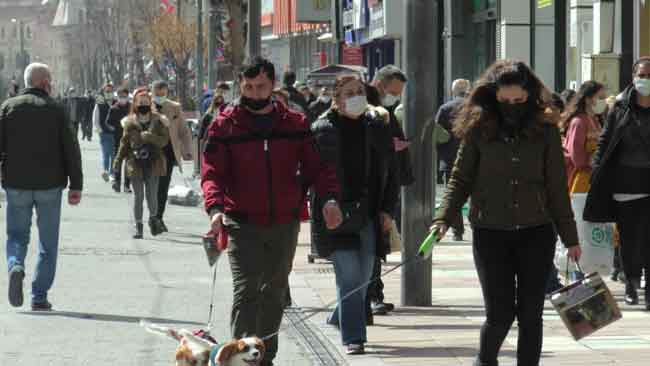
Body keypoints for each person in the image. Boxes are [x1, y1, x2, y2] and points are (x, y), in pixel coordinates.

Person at [431, 60, 581, 366]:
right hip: (490, 232)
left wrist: (571, 238)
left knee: (531, 314)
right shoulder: (478, 128)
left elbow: (556, 187)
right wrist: (443, 218)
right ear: (492, 96)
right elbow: (460, 177)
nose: (512, 107)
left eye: (519, 100)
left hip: (536, 231)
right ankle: (485, 361)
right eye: (504, 101)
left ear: (530, 95)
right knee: (500, 313)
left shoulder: (546, 129)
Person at [201, 56, 342, 366]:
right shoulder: (225, 125)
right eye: (248, 87)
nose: (253, 93)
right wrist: (215, 209)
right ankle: (239, 358)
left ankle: (265, 357)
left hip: (284, 222)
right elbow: (212, 172)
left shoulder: (295, 123)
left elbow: (317, 168)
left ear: (273, 85)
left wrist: (330, 199)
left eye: (260, 87)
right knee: (246, 289)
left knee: (274, 291)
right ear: (240, 85)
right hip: (241, 221)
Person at [311, 74, 398, 355]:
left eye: (359, 91)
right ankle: (354, 337)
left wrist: (387, 210)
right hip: (336, 214)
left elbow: (390, 172)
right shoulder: (322, 129)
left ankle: (340, 316)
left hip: (369, 214)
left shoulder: (377, 127)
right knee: (349, 277)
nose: (356, 96)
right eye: (348, 92)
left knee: (362, 279)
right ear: (336, 99)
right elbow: (313, 174)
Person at [1, 62, 83, 311]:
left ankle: (15, 264)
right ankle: (39, 295)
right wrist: (76, 185)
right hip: (50, 185)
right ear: (44, 83)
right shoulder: (57, 109)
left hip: (16, 183)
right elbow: (71, 149)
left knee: (16, 234)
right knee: (48, 243)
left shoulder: (7, 108)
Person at [585, 57, 650, 310]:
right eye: (641, 74)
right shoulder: (621, 107)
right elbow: (605, 141)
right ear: (633, 76)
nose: (645, 79)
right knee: (630, 239)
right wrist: (597, 169)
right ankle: (631, 283)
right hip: (625, 184)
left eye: (649, 75)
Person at [367, 65, 412, 317]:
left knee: (377, 245)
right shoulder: (371, 110)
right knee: (372, 245)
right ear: (381, 84)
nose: (395, 96)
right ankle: (371, 296)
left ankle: (374, 294)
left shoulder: (386, 111)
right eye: (394, 91)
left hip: (384, 185)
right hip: (373, 188)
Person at [113, 88, 169, 239]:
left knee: (152, 196)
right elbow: (124, 144)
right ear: (135, 104)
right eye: (140, 103)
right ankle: (139, 227)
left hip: (154, 162)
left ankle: (153, 219)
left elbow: (164, 141)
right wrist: (117, 163)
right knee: (138, 196)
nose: (143, 105)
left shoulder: (158, 121)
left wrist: (150, 137)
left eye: (146, 102)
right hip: (135, 163)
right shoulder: (129, 122)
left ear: (150, 103)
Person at [151, 80, 194, 232]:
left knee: (162, 187)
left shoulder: (174, 108)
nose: (160, 97)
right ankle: (152, 216)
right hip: (149, 153)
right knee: (151, 187)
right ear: (152, 91)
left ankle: (158, 218)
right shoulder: (145, 105)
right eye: (157, 94)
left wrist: (188, 150)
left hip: (168, 153)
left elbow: (183, 131)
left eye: (163, 94)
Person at [435, 79, 470, 242]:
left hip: (450, 159)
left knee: (454, 194)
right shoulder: (475, 107)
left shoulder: (445, 108)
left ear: (453, 91)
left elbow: (436, 133)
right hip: (474, 157)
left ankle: (458, 231)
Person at [560, 81, 605, 194]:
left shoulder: (595, 120)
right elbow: (576, 157)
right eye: (600, 97)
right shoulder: (578, 122)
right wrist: (595, 159)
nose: (604, 101)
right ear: (588, 99)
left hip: (595, 179)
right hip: (581, 181)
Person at [107, 87, 132, 193]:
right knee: (118, 161)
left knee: (129, 162)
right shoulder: (114, 108)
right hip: (118, 139)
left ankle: (127, 185)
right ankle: (117, 183)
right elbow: (108, 122)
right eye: (121, 96)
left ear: (127, 96)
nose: (123, 98)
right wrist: (112, 128)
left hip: (131, 139)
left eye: (124, 96)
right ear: (117, 97)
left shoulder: (132, 108)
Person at [93, 83, 116, 182]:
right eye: (107, 91)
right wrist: (100, 131)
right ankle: (106, 171)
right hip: (104, 133)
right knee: (106, 153)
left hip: (116, 133)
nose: (109, 93)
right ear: (103, 92)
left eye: (110, 91)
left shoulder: (117, 102)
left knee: (114, 154)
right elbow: (95, 119)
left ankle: (112, 173)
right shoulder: (100, 104)